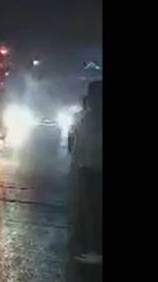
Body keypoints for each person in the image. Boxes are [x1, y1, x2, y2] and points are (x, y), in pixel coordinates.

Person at [69, 80, 102, 265]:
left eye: (96, 96)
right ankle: (88, 246)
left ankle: (96, 250)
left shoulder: (95, 118)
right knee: (86, 208)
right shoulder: (86, 118)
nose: (93, 100)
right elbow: (78, 144)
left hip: (97, 169)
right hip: (86, 168)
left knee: (95, 210)